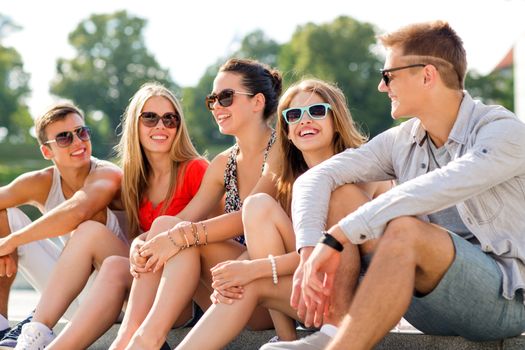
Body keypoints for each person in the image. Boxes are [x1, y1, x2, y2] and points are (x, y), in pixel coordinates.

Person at [289, 20, 525, 350]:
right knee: (343, 192)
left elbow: (443, 184)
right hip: (423, 299)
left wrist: (339, 234)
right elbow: (317, 176)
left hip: (504, 302)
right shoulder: (402, 139)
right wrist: (310, 249)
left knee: (405, 229)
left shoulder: (503, 132)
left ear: (427, 75)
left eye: (388, 76)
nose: (382, 87)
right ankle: (332, 331)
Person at [175, 78, 391, 350]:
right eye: (294, 115)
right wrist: (243, 271)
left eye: (316, 111)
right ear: (287, 132)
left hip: (360, 300)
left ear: (336, 120)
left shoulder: (362, 173)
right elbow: (305, 254)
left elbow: (333, 253)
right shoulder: (293, 181)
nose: (305, 120)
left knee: (249, 280)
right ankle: (287, 337)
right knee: (257, 207)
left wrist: (252, 269)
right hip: (310, 294)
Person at [109, 58, 283, 350]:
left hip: (273, 288)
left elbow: (245, 217)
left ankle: (143, 339)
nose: (216, 106)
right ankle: (133, 337)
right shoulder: (222, 163)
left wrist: (175, 237)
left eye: (226, 97)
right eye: (212, 99)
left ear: (257, 102)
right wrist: (141, 242)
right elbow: (181, 219)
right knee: (166, 225)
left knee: (176, 233)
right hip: (228, 289)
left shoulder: (282, 150)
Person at [43, 82, 208, 350]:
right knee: (100, 248)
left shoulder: (196, 169)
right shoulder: (133, 180)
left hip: (187, 295)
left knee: (160, 228)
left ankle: (124, 341)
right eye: (150, 118)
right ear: (135, 123)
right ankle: (48, 339)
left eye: (170, 119)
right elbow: (85, 207)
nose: (160, 126)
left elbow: (220, 228)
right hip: (149, 282)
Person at [0, 103, 125, 348]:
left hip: (115, 294)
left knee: (90, 226)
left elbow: (79, 210)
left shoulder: (107, 175)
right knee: (3, 217)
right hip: (67, 294)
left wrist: (12, 241)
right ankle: (1, 324)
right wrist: (5, 240)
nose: (78, 142)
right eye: (64, 138)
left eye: (82, 132)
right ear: (47, 152)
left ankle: (36, 324)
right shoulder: (41, 182)